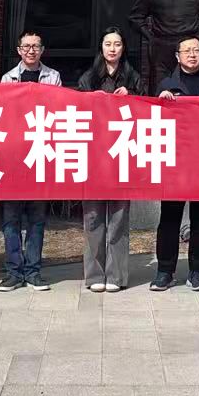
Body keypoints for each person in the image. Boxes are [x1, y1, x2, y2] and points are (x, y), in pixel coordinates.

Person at [154, 36, 199, 290]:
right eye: (187, 51)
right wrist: (161, 101)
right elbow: (154, 119)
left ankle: (196, 272)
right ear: (178, 56)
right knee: (169, 218)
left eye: (196, 50)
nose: (192, 54)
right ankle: (164, 271)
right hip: (175, 160)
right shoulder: (166, 84)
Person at [78, 27, 144, 292]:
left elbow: (146, 111)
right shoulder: (89, 78)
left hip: (122, 155)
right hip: (94, 156)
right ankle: (94, 275)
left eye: (117, 44)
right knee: (93, 218)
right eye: (108, 44)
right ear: (101, 47)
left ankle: (116, 276)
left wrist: (132, 98)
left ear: (123, 48)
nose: (113, 48)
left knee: (118, 219)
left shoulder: (133, 77)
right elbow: (77, 110)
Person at [0, 30, 60, 291]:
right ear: (18, 50)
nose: (31, 50)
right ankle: (13, 272)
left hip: (39, 154)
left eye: (35, 46)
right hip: (13, 155)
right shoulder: (7, 78)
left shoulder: (53, 77)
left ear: (42, 50)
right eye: (26, 46)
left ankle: (33, 271)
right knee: (11, 219)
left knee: (37, 219)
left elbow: (56, 109)